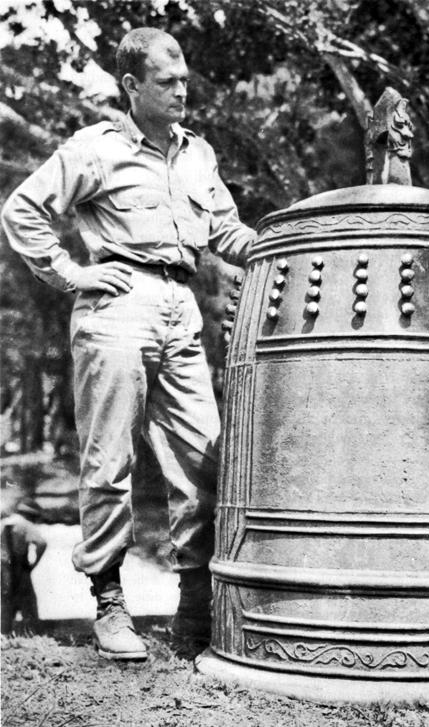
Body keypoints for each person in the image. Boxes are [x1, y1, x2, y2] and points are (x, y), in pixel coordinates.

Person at [2, 28, 256, 660]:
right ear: (131, 86)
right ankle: (110, 603)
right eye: (166, 83)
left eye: (185, 83)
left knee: (204, 458)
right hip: (116, 306)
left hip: (181, 308)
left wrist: (292, 243)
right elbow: (22, 211)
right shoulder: (96, 147)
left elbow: (227, 232)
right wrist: (71, 274)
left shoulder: (199, 155)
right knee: (108, 462)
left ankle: (196, 607)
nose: (180, 92)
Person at [1, 499, 47, 635]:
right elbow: (42, 544)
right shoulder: (26, 525)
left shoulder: (3, 523)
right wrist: (35, 563)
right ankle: (32, 633)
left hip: (3, 566)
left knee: (5, 599)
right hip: (19, 565)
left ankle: (4, 633)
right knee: (28, 601)